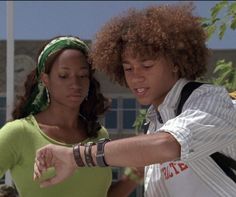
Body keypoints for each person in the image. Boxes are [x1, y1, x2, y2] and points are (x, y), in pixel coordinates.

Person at [34, 4, 236, 197]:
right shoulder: (153, 127)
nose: (135, 77)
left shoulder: (211, 100)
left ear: (175, 63)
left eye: (147, 65)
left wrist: (77, 156)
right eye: (128, 68)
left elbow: (168, 145)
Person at [0, 36, 141, 197]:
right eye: (63, 76)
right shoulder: (19, 133)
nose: (75, 84)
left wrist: (134, 176)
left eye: (82, 75)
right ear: (45, 79)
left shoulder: (98, 134)